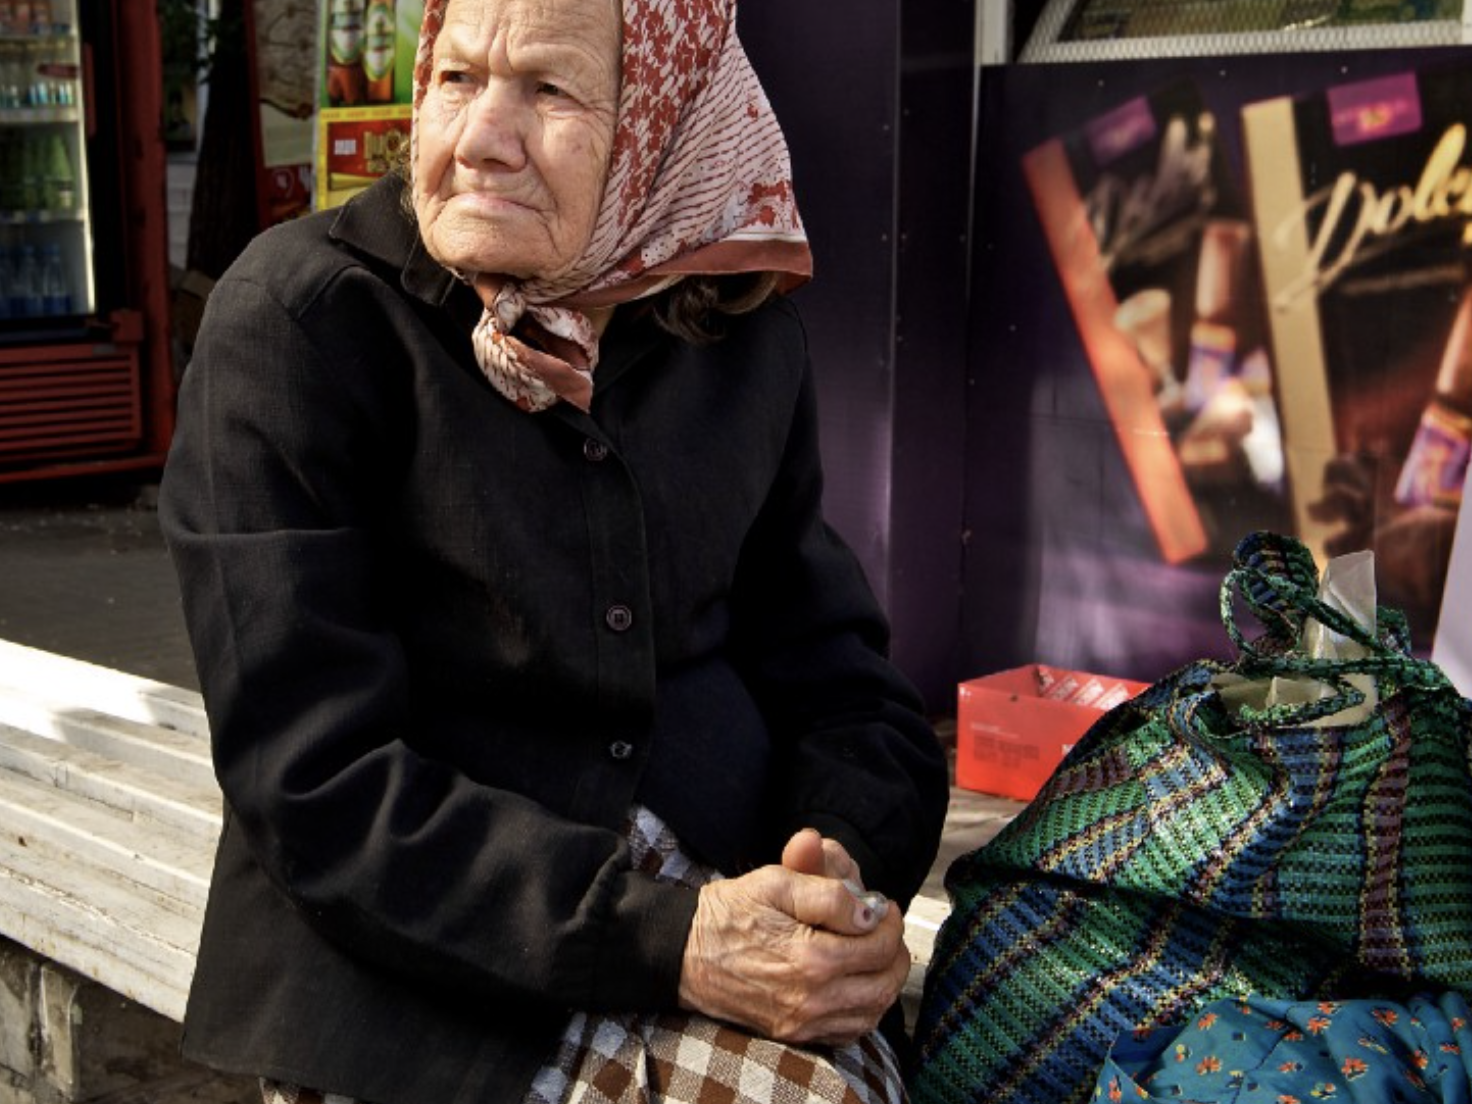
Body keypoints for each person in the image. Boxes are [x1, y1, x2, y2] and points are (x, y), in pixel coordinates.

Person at [159, 0, 950, 1101]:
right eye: (455, 79)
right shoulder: (301, 325)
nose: (482, 136)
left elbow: (847, 689)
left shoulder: (734, 334)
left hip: (720, 890)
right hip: (430, 971)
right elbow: (314, 784)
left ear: (669, 124)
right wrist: (680, 940)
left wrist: (839, 874)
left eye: (548, 90)